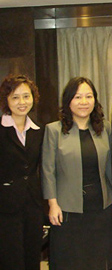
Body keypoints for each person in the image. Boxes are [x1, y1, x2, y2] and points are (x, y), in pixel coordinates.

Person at [41, 77, 112, 270]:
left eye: (88, 96)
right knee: (71, 261)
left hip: (100, 205)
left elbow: (111, 164)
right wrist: (52, 204)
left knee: (99, 260)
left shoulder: (105, 128)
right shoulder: (54, 130)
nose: (84, 102)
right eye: (77, 97)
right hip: (67, 208)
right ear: (68, 101)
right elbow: (47, 170)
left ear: (95, 100)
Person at [0, 74, 44, 270]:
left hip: (33, 205)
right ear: (6, 100)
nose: (21, 102)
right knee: (11, 259)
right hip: (5, 207)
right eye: (15, 97)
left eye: (26, 96)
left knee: (32, 256)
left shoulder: (38, 131)